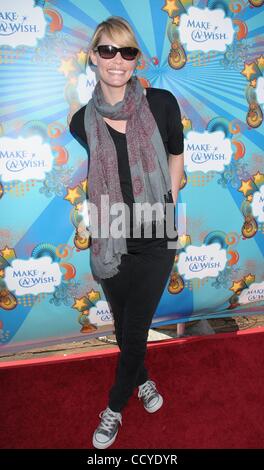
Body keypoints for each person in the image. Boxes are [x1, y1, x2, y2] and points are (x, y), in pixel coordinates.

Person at [69, 16, 184, 449]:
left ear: (137, 58)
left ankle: (114, 408)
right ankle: (144, 381)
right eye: (107, 51)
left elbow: (177, 154)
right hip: (113, 232)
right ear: (94, 56)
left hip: (157, 232)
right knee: (124, 327)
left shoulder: (162, 103)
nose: (117, 61)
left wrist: (167, 202)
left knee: (134, 329)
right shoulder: (82, 122)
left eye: (127, 51)